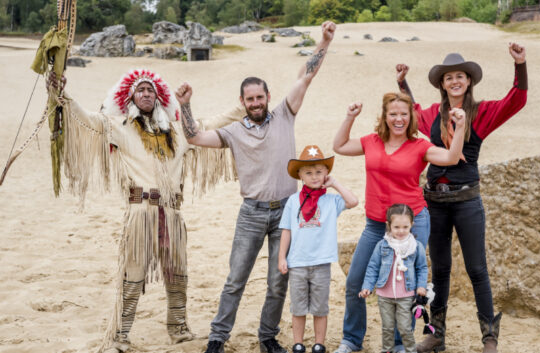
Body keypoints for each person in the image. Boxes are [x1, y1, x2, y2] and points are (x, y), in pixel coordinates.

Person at [45, 69, 245, 353]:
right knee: (132, 274)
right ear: (132, 97)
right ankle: (119, 335)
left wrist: (241, 108)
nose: (146, 94)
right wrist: (62, 94)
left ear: (158, 97)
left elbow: (211, 124)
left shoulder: (178, 131)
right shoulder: (121, 126)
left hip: (172, 213)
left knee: (177, 273)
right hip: (140, 211)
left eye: (150, 90)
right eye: (141, 91)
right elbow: (87, 120)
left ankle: (179, 330)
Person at [174, 21, 337, 353]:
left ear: (268, 97)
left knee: (278, 282)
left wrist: (324, 41)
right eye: (250, 99)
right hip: (251, 212)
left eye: (260, 97)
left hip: (287, 212)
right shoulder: (233, 132)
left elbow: (306, 76)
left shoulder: (285, 114)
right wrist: (186, 104)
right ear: (243, 100)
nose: (256, 102)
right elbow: (193, 136)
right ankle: (217, 338)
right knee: (236, 279)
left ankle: (267, 337)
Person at [395, 43, 527, 353]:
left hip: (468, 201)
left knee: (477, 269)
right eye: (449, 77)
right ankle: (436, 335)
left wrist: (520, 64)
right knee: (439, 269)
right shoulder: (430, 115)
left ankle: (489, 339)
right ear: (442, 84)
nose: (455, 81)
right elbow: (410, 111)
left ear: (468, 81)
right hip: (434, 203)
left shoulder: (481, 113)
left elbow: (516, 99)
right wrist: (402, 83)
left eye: (460, 76)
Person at [332, 93, 465, 353]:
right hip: (375, 225)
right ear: (385, 116)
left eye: (404, 114)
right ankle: (351, 339)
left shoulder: (419, 146)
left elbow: (451, 157)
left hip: (411, 225)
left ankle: (396, 344)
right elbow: (339, 145)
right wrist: (350, 116)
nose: (399, 119)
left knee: (401, 288)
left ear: (411, 117)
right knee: (355, 282)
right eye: (393, 114)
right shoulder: (371, 141)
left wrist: (459, 128)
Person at [278, 145, 359, 353]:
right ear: (300, 176)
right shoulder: (293, 201)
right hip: (297, 263)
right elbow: (286, 230)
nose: (314, 177)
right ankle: (298, 343)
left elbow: (353, 201)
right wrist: (282, 258)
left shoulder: (331, 201)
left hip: (322, 263)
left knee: (320, 308)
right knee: (298, 307)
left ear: (326, 174)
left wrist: (335, 184)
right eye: (308, 173)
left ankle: (319, 344)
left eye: (319, 172)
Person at [359, 204, 428, 353]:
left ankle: (410, 350)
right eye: (396, 227)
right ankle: (387, 350)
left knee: (405, 327)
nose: (401, 231)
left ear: (412, 225)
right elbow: (373, 267)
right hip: (385, 295)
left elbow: (422, 267)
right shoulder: (382, 246)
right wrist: (367, 287)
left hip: (406, 295)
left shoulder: (416, 246)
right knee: (387, 327)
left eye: (405, 227)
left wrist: (422, 286)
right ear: (389, 225)